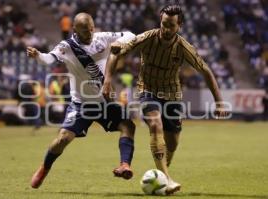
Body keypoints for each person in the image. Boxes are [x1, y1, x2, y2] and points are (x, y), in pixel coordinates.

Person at [103, 3, 229, 194]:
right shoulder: (147, 37)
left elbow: (206, 71)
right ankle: (167, 179)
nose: (166, 29)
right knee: (155, 124)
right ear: (160, 21)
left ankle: (161, 174)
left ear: (179, 26)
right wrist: (108, 80)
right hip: (147, 90)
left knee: (172, 143)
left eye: (171, 25)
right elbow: (115, 52)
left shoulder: (183, 47)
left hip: (172, 95)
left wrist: (219, 101)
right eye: (164, 24)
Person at [26, 12, 136, 189]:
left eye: (91, 28)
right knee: (63, 139)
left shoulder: (102, 38)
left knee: (128, 126)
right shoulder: (66, 47)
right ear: (74, 29)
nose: (90, 32)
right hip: (81, 104)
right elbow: (48, 59)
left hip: (104, 102)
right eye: (85, 30)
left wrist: (118, 43)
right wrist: (38, 55)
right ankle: (44, 169)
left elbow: (131, 35)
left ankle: (124, 165)